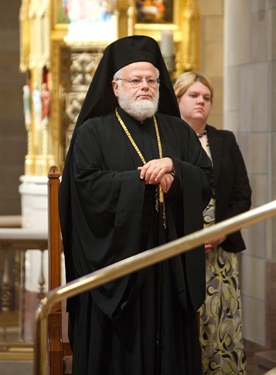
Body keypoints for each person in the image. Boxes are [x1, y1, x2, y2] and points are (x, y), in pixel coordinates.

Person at [59, 35, 214, 375]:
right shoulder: (91, 133)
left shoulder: (177, 130)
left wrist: (175, 172)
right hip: (117, 268)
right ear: (115, 87)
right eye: (135, 80)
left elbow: (205, 178)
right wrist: (142, 181)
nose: (144, 86)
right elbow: (85, 188)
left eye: (151, 80)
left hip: (169, 266)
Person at [174, 71, 252, 374]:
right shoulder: (165, 140)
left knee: (222, 321)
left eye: (207, 98)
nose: (201, 102)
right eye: (194, 96)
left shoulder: (224, 140)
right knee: (186, 323)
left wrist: (221, 233)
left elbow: (241, 196)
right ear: (178, 99)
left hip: (220, 250)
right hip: (178, 248)